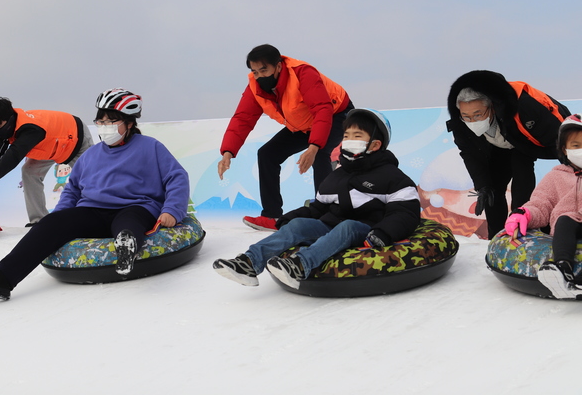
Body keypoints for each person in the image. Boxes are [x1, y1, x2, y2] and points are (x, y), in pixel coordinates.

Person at [0, 88, 190, 301]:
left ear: (129, 123)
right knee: (49, 224)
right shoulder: (91, 155)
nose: (105, 127)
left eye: (111, 121)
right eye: (101, 122)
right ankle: (1, 279)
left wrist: (172, 210)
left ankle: (126, 249)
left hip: (135, 207)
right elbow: (73, 188)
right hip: (92, 211)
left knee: (128, 224)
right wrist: (61, 217)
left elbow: (177, 177)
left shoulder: (150, 147)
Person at [213, 109, 420, 289]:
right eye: (346, 135)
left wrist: (383, 233)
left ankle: (300, 266)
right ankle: (249, 263)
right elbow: (318, 208)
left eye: (357, 135)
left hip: (366, 229)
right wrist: (291, 218)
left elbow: (405, 212)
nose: (349, 140)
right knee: (299, 226)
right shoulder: (336, 176)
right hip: (330, 227)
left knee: (346, 226)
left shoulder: (393, 177)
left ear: (375, 145)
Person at [218, 44, 354, 231]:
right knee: (267, 154)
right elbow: (243, 118)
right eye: (255, 71)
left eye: (264, 70)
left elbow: (322, 109)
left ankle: (326, 216)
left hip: (336, 114)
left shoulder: (303, 73)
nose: (259, 76)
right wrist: (227, 151)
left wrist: (313, 146)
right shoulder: (254, 86)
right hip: (301, 124)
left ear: (279, 66)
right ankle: (272, 216)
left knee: (321, 153)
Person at [447, 70, 569, 238]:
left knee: (521, 175)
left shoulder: (526, 107)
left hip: (527, 141)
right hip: (500, 146)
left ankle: (523, 231)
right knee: (492, 189)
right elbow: (470, 154)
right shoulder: (459, 124)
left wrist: (574, 171)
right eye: (466, 116)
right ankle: (495, 238)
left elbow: (564, 140)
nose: (472, 121)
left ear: (492, 107)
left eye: (478, 114)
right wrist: (482, 185)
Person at [0, 98, 94, 226]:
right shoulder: (6, 127)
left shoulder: (30, 129)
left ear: (9, 119)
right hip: (48, 146)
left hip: (75, 137)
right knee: (29, 172)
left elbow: (13, 156)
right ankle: (39, 221)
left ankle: (95, 216)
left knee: (89, 179)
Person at [504, 114, 582, 300]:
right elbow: (541, 202)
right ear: (564, 149)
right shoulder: (555, 177)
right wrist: (525, 214)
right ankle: (563, 269)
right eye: (576, 146)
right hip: (570, 227)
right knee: (565, 219)